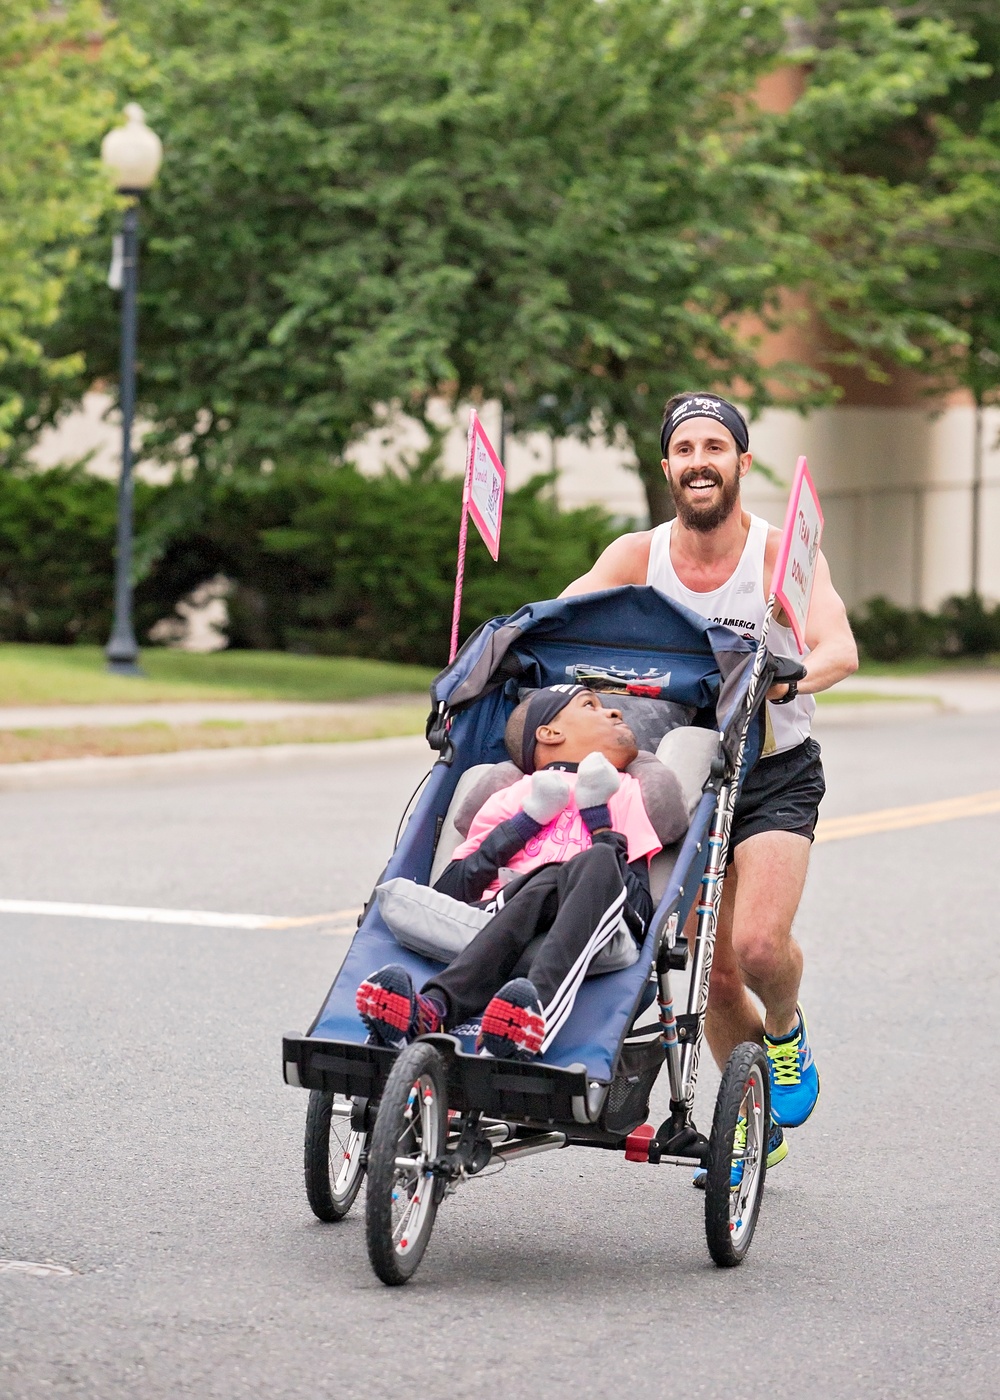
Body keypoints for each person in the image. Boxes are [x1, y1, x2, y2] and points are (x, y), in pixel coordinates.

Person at [561, 391, 859, 1174]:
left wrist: (787, 681)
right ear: (668, 467)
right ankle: (754, 1120)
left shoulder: (778, 556)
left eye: (714, 448)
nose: (700, 462)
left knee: (759, 948)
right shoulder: (637, 556)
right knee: (712, 976)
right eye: (685, 450)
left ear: (740, 463)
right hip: (687, 776)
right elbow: (554, 628)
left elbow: (838, 648)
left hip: (772, 774)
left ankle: (786, 1036)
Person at [356, 685, 662, 1061]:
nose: (616, 713)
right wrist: (527, 822)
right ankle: (432, 1011)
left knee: (586, 865)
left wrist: (600, 823)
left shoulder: (624, 792)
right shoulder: (511, 796)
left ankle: (530, 1016)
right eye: (591, 706)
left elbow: (640, 908)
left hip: (592, 917)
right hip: (507, 911)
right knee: (546, 879)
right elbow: (451, 890)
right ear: (549, 733)